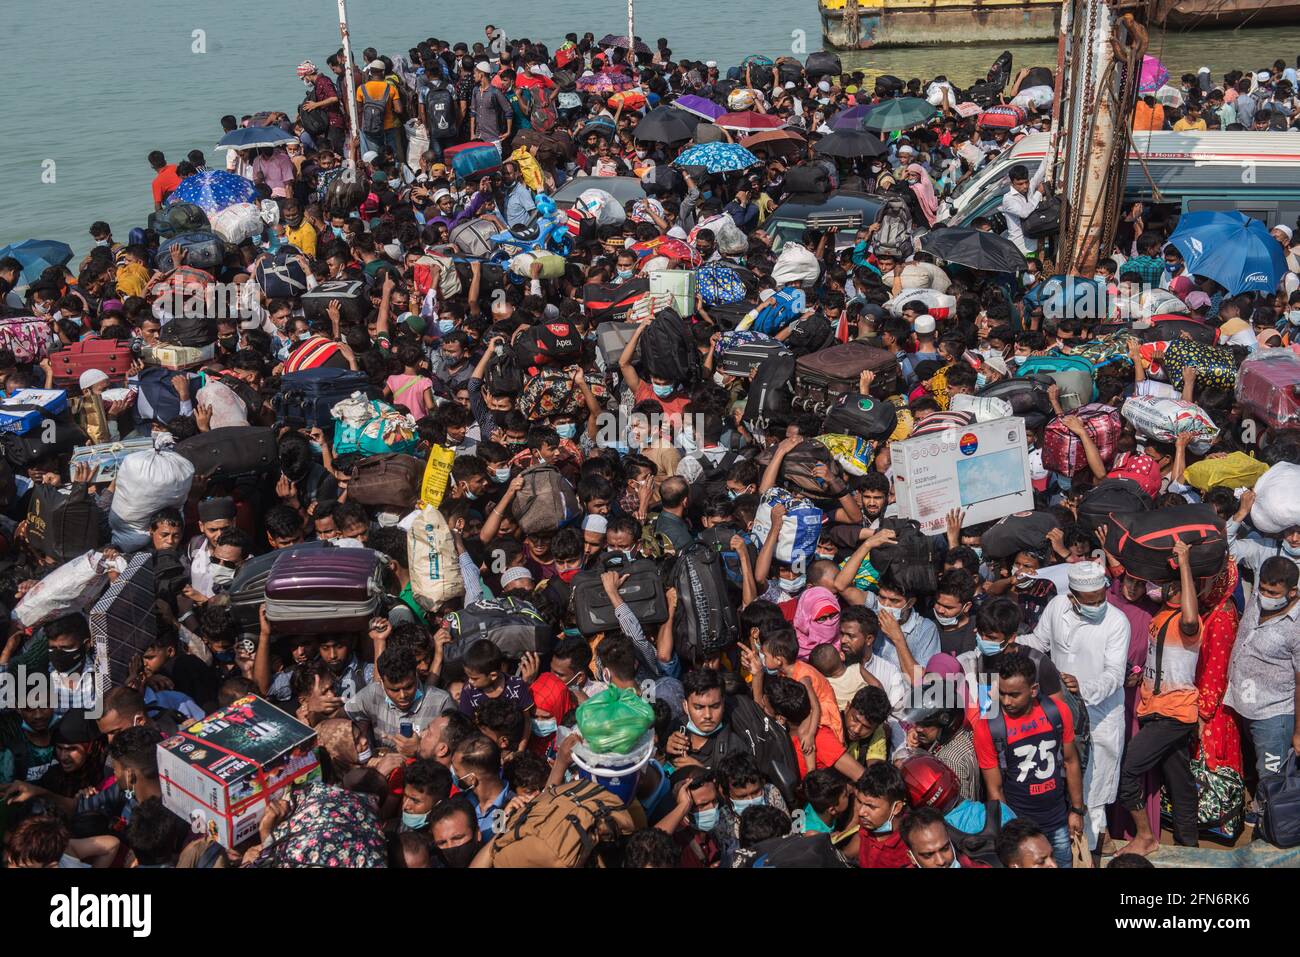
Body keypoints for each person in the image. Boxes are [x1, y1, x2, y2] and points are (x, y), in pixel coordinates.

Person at [1018, 561, 1129, 851]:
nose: (1097, 606)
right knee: (1067, 783)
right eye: (1090, 602)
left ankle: (1087, 854)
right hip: (1061, 714)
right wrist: (1008, 643)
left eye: (1101, 598)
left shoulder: (1116, 622)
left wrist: (1083, 688)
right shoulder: (1056, 607)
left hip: (1100, 715)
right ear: (1072, 597)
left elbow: (1115, 675)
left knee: (1093, 792)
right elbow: (1039, 641)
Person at [974, 654, 1085, 867]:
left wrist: (1077, 810)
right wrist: (1012, 834)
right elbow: (994, 789)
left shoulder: (1057, 711)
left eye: (1014, 695)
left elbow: (1071, 762)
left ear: (1033, 690)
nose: (1006, 701)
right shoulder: (988, 725)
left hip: (1058, 821)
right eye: (1002, 693)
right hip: (1020, 826)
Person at [1224, 556, 1300, 800]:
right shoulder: (1257, 601)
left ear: (1292, 593)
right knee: (1251, 769)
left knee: (1271, 777)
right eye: (1263, 589)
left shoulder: (1297, 626)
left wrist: (1298, 732)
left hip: (1273, 715)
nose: (1265, 595)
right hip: (1241, 705)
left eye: (1273, 592)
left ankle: (1267, 828)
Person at [999, 163, 1047, 255]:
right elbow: (1024, 213)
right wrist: (1038, 193)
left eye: (1026, 182)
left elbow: (1040, 172)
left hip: (1034, 245)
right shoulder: (1008, 199)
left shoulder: (1029, 188)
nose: (1025, 186)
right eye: (1020, 184)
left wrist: (1051, 151)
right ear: (1012, 183)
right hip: (1021, 249)